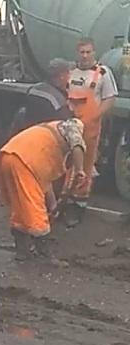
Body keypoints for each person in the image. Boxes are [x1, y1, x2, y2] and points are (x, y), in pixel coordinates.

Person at [0, 118, 86, 261]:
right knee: (35, 208)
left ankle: (22, 250)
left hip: (8, 156)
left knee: (21, 207)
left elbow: (45, 183)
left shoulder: (45, 144)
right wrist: (80, 170)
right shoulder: (71, 126)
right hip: (23, 161)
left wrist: (53, 206)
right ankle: (44, 253)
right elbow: (77, 145)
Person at [66, 37, 118, 222]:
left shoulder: (102, 73)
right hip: (69, 125)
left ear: (94, 52)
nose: (85, 55)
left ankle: (79, 205)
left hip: (90, 127)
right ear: (77, 53)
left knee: (86, 165)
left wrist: (93, 117)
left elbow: (110, 99)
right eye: (82, 52)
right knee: (66, 163)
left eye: (89, 52)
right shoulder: (70, 72)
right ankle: (63, 200)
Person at [21, 58, 74, 129]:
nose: (70, 76)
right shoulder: (57, 100)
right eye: (68, 73)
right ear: (62, 76)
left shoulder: (33, 89)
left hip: (30, 132)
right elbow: (68, 126)